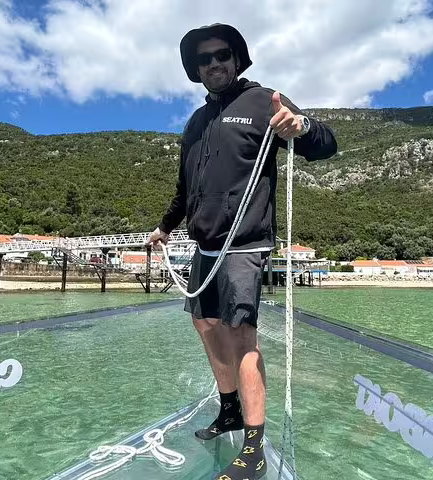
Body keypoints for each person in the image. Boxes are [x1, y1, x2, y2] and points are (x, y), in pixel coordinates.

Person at [147, 23, 337, 480]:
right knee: (205, 324)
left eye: (221, 54)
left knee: (240, 336)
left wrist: (302, 125)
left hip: (245, 243)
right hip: (204, 246)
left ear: (237, 59)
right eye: (204, 59)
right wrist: (164, 226)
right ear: (197, 69)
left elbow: (325, 144)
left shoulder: (262, 101)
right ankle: (229, 408)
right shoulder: (195, 123)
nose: (213, 63)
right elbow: (184, 189)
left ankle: (253, 446)